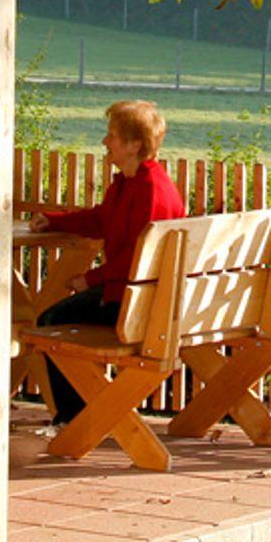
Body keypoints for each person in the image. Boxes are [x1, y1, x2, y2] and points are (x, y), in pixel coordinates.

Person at [33, 100, 187, 424]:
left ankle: (75, 419)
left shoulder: (150, 189)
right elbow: (101, 220)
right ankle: (82, 415)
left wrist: (90, 279)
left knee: (51, 323)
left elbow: (140, 259)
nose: (105, 141)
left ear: (134, 145)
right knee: (55, 319)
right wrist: (53, 221)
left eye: (112, 136)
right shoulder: (129, 182)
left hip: (138, 305)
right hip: (132, 295)